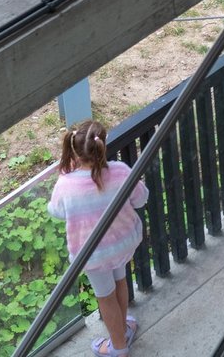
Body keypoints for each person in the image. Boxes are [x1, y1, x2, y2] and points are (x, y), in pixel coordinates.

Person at [48, 120, 149, 357]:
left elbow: (57, 211)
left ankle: (118, 348)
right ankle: (121, 330)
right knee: (120, 282)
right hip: (122, 243)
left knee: (105, 296)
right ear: (102, 144)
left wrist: (66, 175)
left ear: (73, 151)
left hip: (93, 254)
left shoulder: (65, 184)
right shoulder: (121, 171)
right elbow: (141, 199)